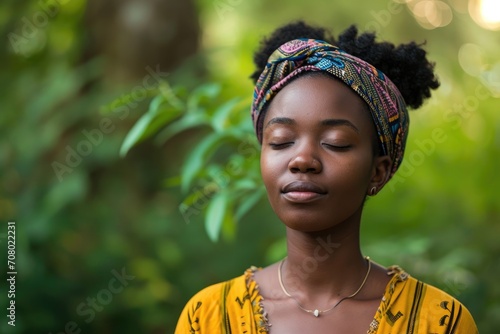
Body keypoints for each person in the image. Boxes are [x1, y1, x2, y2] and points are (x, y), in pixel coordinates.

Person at [174, 21, 478, 333]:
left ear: (379, 171)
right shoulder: (208, 317)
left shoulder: (439, 321)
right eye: (280, 141)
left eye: (336, 143)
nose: (302, 160)